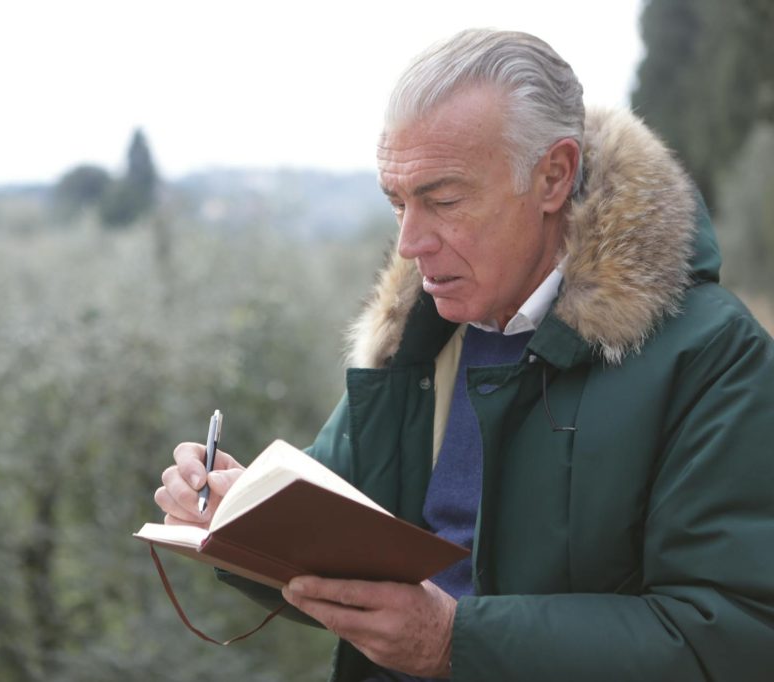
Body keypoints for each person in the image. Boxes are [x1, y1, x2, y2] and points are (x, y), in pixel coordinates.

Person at [154, 28, 774, 681]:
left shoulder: (714, 358)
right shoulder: (416, 344)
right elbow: (339, 549)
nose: (411, 242)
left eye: (443, 201)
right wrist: (236, 517)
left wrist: (456, 642)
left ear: (553, 176)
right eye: (397, 204)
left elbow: (735, 635)